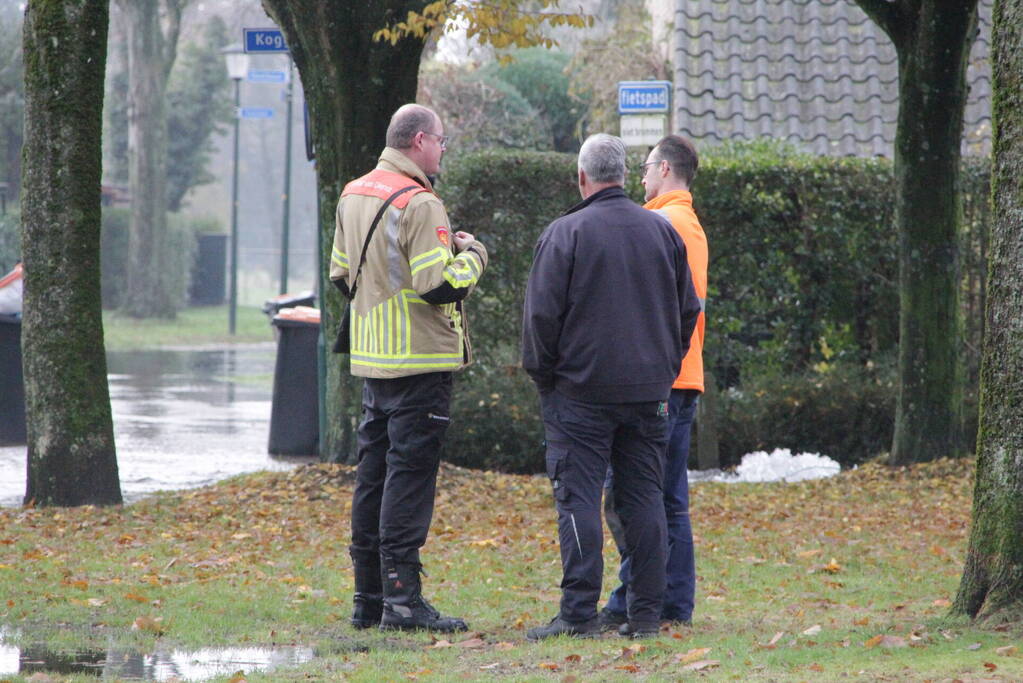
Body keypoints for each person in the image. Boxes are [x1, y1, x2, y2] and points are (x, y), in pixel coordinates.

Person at [521, 133, 701, 640]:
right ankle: (645, 614)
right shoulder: (662, 233)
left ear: (582, 177)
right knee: (643, 499)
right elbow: (689, 310)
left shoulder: (565, 234)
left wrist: (546, 378)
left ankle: (578, 613)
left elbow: (540, 319)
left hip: (579, 394)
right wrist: (664, 366)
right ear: (624, 175)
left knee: (578, 498)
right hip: (649, 393)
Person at [329, 104, 488, 633]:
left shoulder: (354, 193)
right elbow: (437, 285)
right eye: (442, 140)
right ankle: (403, 599)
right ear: (419, 141)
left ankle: (367, 597)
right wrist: (475, 256)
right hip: (420, 363)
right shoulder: (421, 203)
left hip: (374, 362)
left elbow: (339, 274)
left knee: (371, 476)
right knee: (409, 478)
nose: (444, 149)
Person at [600, 135, 708, 630]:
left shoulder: (662, 223)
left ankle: (633, 596)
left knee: (635, 493)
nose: (640, 178)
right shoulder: (690, 223)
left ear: (664, 169)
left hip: (661, 377)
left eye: (645, 168)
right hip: (686, 376)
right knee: (668, 497)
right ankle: (674, 602)